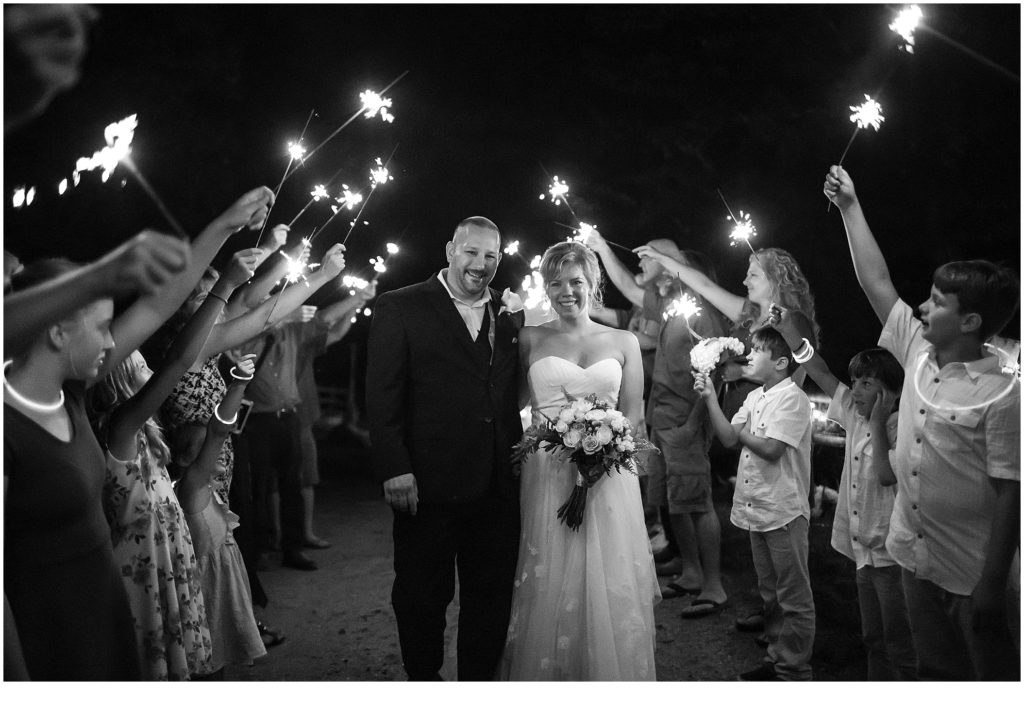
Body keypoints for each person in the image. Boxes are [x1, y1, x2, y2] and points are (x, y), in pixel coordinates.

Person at [4, 188, 272, 680]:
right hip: (47, 638)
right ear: (58, 332)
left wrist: (224, 226)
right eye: (103, 326)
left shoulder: (74, 400)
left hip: (107, 611)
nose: (116, 340)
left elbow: (156, 313)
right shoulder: (10, 429)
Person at [825, 164, 1020, 680]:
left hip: (971, 574)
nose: (920, 306)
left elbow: (1010, 492)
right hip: (911, 558)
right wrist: (850, 206)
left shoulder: (1005, 389)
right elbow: (877, 281)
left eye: (937, 302)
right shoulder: (915, 351)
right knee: (933, 674)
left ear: (971, 321)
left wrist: (993, 585)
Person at [88, 248, 260, 679]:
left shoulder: (147, 438)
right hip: (142, 578)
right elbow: (182, 359)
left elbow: (218, 431)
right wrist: (224, 284)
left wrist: (237, 386)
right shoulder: (121, 430)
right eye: (143, 367)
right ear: (122, 382)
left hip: (168, 565)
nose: (152, 371)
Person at [366, 216, 523, 681]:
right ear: (451, 248)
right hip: (427, 482)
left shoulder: (510, 312)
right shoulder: (400, 306)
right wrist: (395, 466)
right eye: (472, 252)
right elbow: (382, 393)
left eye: (491, 256)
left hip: (497, 481)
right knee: (421, 594)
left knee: (491, 594)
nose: (481, 264)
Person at [497, 241, 660, 680]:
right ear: (546, 289)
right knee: (551, 573)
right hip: (547, 471)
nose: (566, 291)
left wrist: (608, 453)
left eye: (576, 282)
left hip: (609, 476)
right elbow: (509, 405)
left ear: (593, 284)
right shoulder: (530, 337)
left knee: (607, 575)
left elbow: (634, 418)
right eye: (556, 283)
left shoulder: (624, 341)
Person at [772, 310, 917, 679]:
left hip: (890, 553)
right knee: (872, 637)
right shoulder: (853, 412)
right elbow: (818, 369)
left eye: (866, 383)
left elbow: (886, 476)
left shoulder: (903, 428)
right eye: (854, 381)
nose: (855, 390)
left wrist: (879, 420)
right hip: (862, 549)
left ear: (893, 391)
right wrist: (790, 331)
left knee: (901, 644)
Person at [696, 325, 815, 681]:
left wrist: (743, 434)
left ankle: (794, 668)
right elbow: (728, 437)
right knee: (771, 591)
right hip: (757, 506)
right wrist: (710, 399)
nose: (750, 354)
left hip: (784, 510)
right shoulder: (753, 397)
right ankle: (777, 656)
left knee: (793, 595)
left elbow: (770, 449)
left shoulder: (794, 398)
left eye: (758, 350)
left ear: (780, 362)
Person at [236, 245, 349, 571]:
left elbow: (328, 322)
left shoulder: (293, 333)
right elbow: (255, 332)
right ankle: (257, 551)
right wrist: (282, 315)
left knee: (292, 486)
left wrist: (358, 299)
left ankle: (293, 548)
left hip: (289, 417)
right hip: (256, 421)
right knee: (258, 488)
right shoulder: (246, 333)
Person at [176, 354, 267, 679]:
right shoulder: (192, 487)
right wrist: (239, 382)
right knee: (211, 664)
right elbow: (218, 431)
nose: (219, 449)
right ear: (188, 459)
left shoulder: (205, 489)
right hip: (209, 591)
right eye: (207, 450)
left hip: (218, 585)